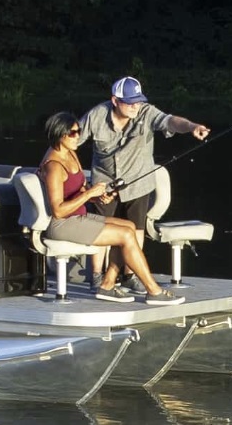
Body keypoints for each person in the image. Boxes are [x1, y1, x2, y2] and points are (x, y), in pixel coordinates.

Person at [78, 77, 210, 293]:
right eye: (130, 102)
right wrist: (85, 186)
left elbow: (170, 121)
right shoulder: (96, 115)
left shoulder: (146, 112)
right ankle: (95, 277)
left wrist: (192, 127)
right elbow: (71, 141)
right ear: (115, 100)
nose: (135, 106)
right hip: (104, 184)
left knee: (136, 228)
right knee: (99, 229)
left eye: (138, 101)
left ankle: (130, 275)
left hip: (138, 183)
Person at [39, 111, 184, 305]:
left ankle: (107, 285)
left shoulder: (70, 153)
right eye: (73, 133)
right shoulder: (54, 166)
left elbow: (77, 189)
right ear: (59, 135)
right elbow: (58, 210)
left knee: (129, 227)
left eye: (79, 131)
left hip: (77, 217)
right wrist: (88, 195)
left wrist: (98, 195)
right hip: (63, 224)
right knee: (124, 236)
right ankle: (153, 290)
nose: (78, 136)